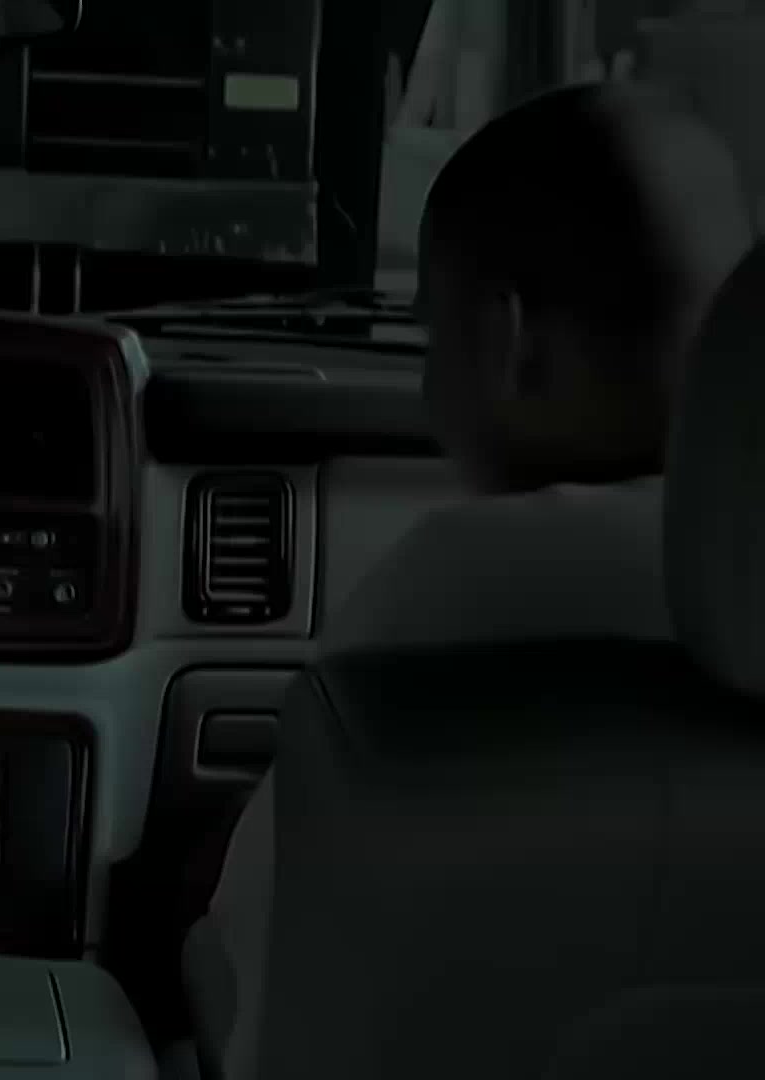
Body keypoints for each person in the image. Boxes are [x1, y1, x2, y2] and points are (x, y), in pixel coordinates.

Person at [186, 82, 755, 1080]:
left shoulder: (451, 591)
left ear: (507, 342)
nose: (425, 381)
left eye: (429, 336)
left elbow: (252, 984)